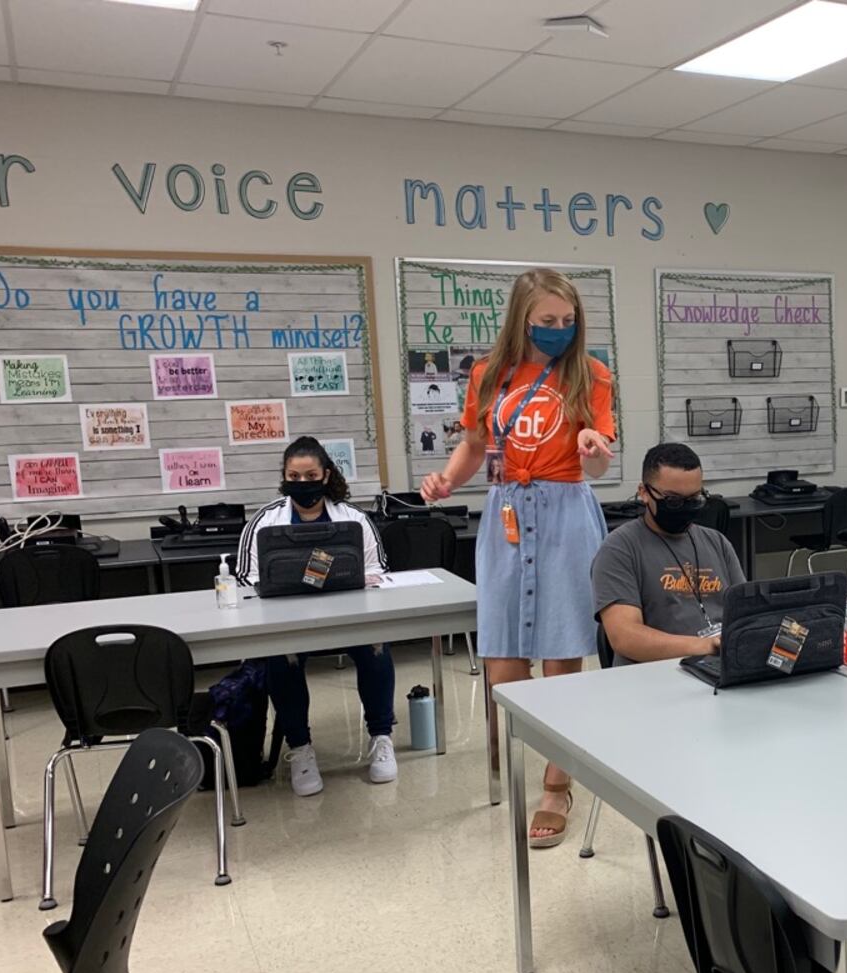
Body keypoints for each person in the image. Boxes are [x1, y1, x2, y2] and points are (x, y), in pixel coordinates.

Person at [420, 267, 615, 848]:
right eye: (547, 321)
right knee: (503, 659)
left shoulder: (591, 374)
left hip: (563, 512)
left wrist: (593, 448)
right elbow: (475, 444)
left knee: (560, 656)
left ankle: (558, 785)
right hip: (505, 512)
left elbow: (600, 462)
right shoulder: (489, 373)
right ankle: (537, 750)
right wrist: (447, 481)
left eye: (567, 321)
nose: (559, 329)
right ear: (522, 319)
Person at [236, 436, 397, 797]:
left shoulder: (353, 519)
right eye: (294, 475)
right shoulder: (264, 522)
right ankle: (301, 748)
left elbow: (379, 570)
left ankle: (381, 736)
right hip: (290, 623)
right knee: (282, 659)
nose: (302, 483)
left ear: (326, 475)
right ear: (284, 475)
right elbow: (246, 579)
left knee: (376, 649)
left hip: (350, 619)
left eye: (311, 475)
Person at [592, 443, 745, 667]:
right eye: (673, 500)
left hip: (717, 670)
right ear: (644, 493)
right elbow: (625, 637)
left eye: (694, 499)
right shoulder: (619, 549)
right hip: (652, 678)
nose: (685, 508)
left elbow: (745, 613)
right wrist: (707, 646)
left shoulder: (717, 543)